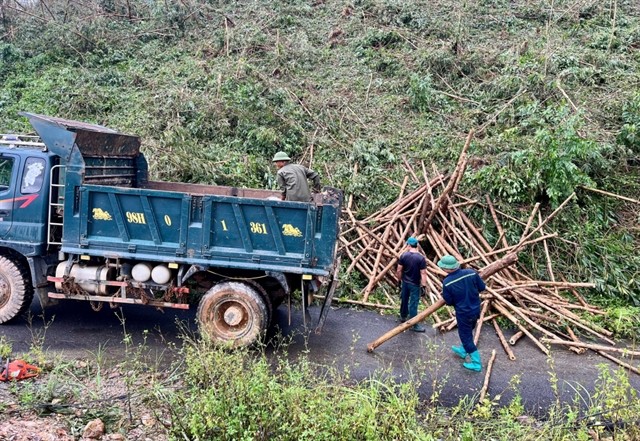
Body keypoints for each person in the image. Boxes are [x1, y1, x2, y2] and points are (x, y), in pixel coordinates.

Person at [437, 254, 486, 372]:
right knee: (469, 331)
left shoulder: (447, 282)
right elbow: (482, 287)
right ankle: (464, 350)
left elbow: (449, 302)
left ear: (447, 269)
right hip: (475, 309)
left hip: (463, 313)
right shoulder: (471, 273)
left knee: (466, 337)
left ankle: (476, 363)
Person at [395, 236, 427, 332]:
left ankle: (403, 317)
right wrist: (424, 286)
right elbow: (423, 273)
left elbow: (399, 270)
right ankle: (414, 325)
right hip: (415, 284)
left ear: (408, 245)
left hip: (405, 282)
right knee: (413, 303)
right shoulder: (421, 258)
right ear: (416, 245)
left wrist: (399, 280)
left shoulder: (404, 255)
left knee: (404, 299)